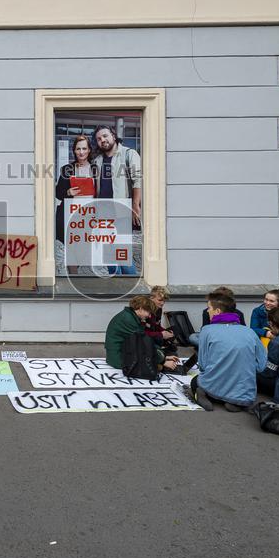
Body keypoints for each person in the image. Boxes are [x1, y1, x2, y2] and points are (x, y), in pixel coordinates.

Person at [190, 290, 267, 412]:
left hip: (214, 384)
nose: (207, 311)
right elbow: (261, 365)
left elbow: (203, 365)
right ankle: (234, 401)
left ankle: (208, 396)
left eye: (209, 308)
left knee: (195, 381)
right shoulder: (249, 332)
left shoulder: (207, 330)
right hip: (244, 391)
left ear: (217, 311)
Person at [91, 124, 141, 275]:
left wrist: (135, 207)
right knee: (109, 259)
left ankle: (136, 295)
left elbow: (138, 180)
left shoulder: (128, 154)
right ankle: (117, 291)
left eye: (105, 136)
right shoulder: (98, 160)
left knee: (123, 256)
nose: (103, 140)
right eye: (99, 139)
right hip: (103, 214)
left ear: (113, 135)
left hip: (122, 213)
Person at [104, 295, 180, 373]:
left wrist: (164, 357)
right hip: (118, 358)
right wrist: (163, 361)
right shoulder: (128, 319)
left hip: (123, 352)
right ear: (140, 309)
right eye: (149, 312)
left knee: (155, 361)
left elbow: (146, 341)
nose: (149, 316)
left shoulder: (131, 316)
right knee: (154, 367)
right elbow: (144, 344)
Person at [55, 134, 95, 275]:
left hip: (89, 214)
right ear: (74, 150)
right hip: (71, 214)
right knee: (72, 248)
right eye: (78, 149)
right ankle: (74, 278)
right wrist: (68, 191)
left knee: (83, 248)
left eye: (84, 148)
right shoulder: (67, 169)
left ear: (89, 150)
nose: (81, 152)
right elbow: (58, 193)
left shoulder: (96, 168)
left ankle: (80, 275)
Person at [145, 285, 177, 354]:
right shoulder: (144, 311)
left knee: (175, 330)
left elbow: (157, 325)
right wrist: (161, 334)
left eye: (164, 301)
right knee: (172, 353)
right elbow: (142, 333)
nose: (162, 303)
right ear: (151, 298)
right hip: (145, 339)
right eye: (160, 300)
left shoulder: (159, 309)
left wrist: (166, 332)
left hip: (154, 336)